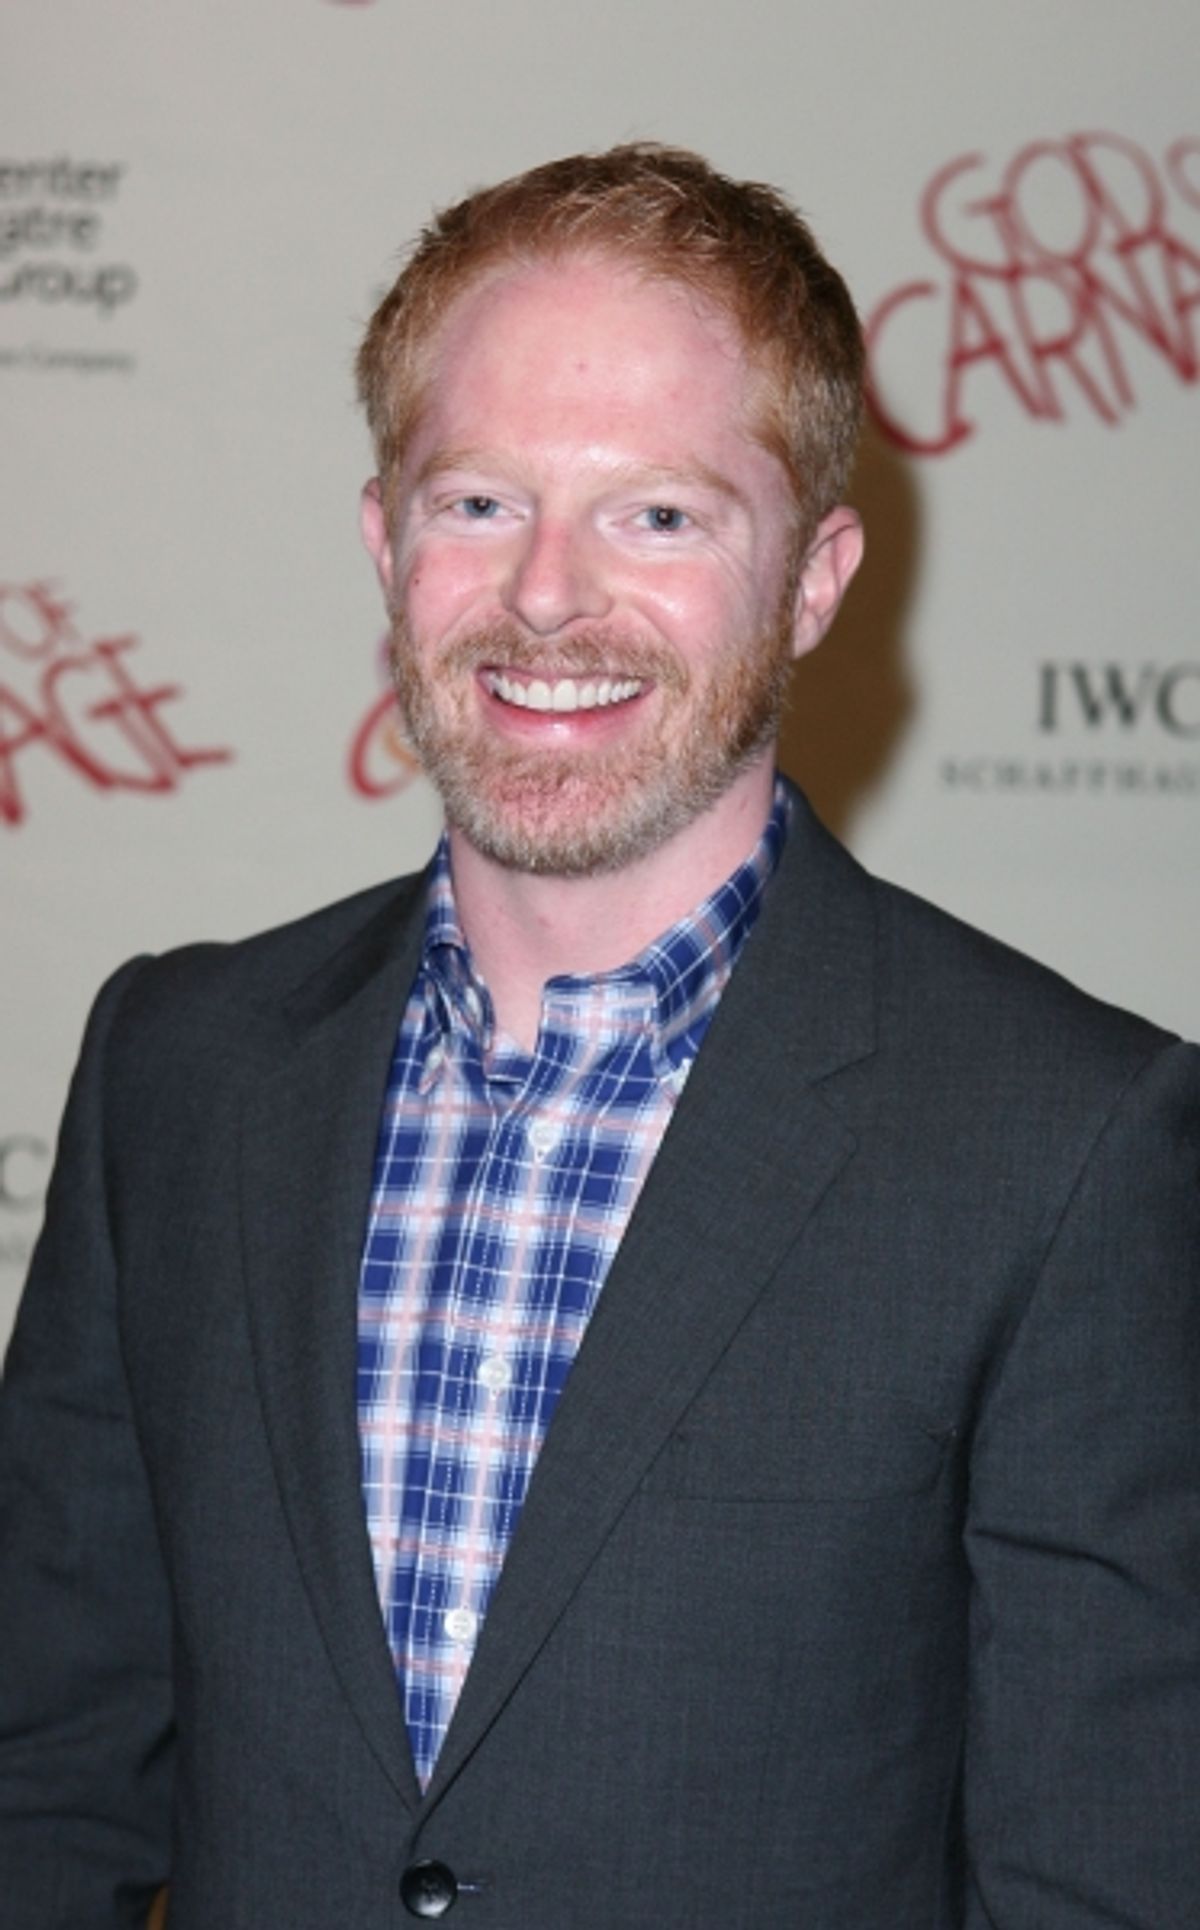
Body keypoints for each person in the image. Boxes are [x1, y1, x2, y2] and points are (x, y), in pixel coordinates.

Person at [1, 143, 1197, 1930]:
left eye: (659, 515)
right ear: (384, 538)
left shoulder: (1066, 1139)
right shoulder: (177, 1067)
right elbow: (42, 1772)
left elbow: (1104, 1879)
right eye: (481, 500)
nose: (549, 595)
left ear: (813, 577)